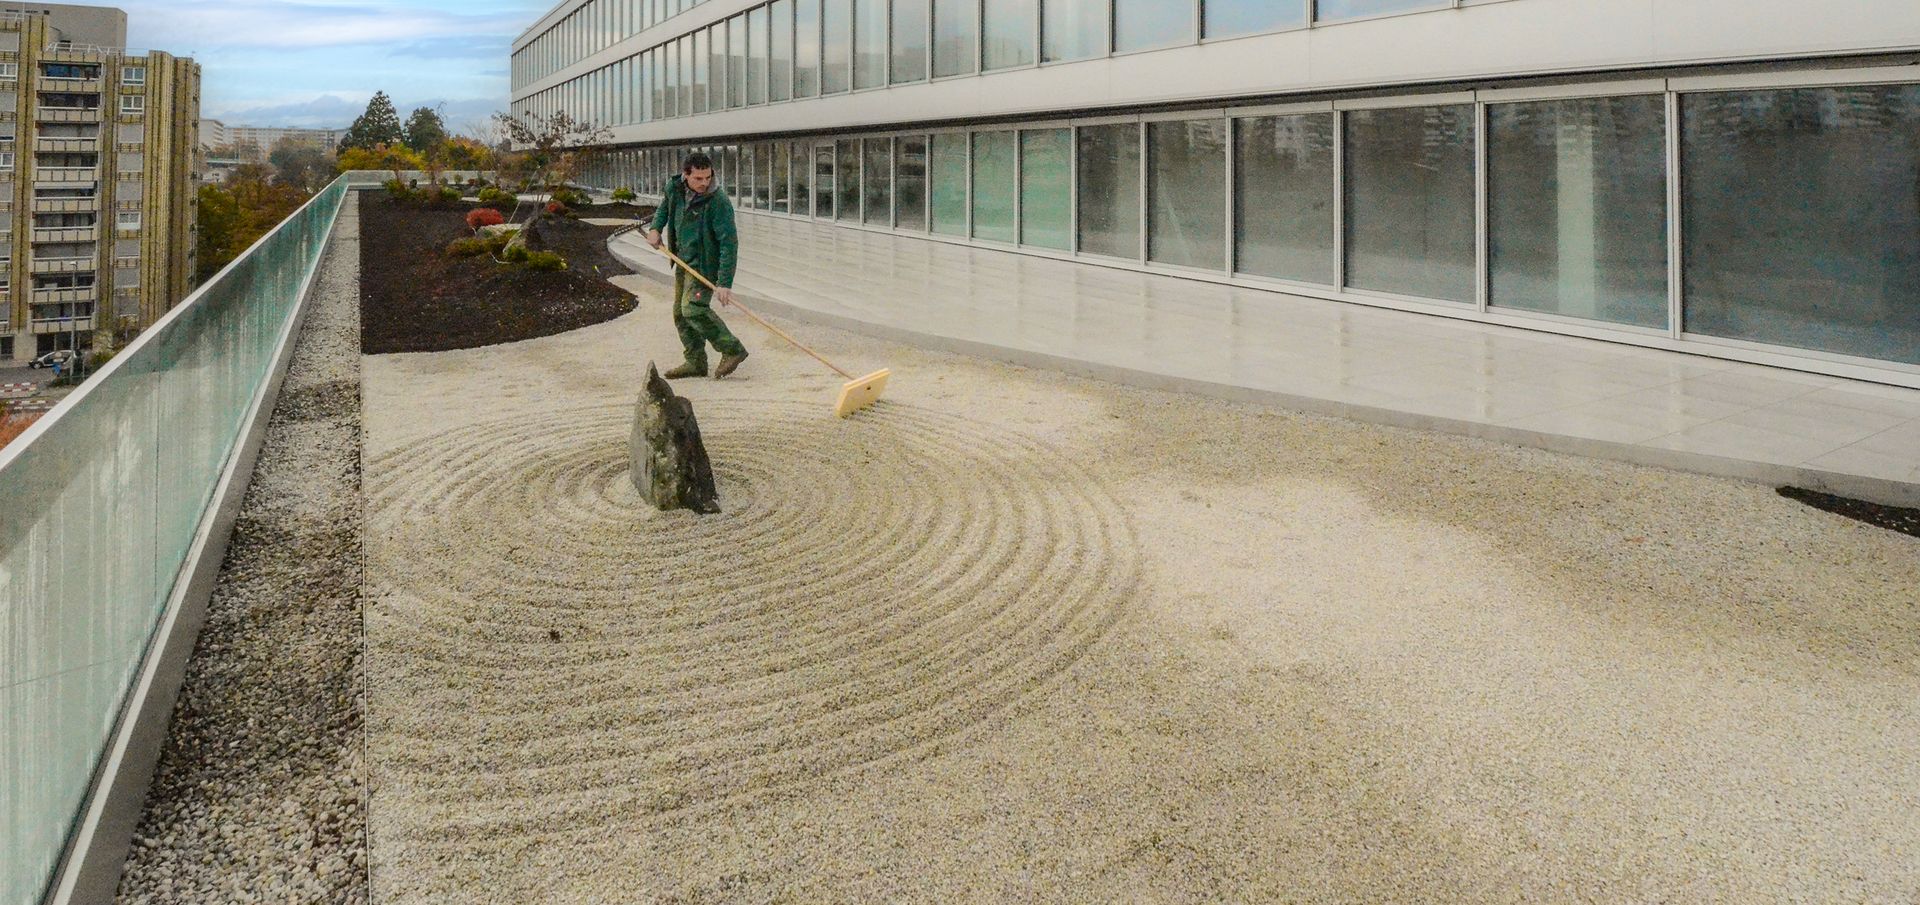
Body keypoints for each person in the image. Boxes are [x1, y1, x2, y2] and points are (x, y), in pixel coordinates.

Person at [644, 153, 749, 379]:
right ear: (686, 175)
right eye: (698, 179)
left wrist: (723, 283)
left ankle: (732, 349)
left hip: (704, 265)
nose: (704, 183)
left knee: (693, 309)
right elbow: (663, 209)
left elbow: (729, 243)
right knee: (680, 314)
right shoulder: (675, 189)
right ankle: (695, 362)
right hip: (683, 260)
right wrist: (655, 229)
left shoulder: (718, 201)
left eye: (708, 177)